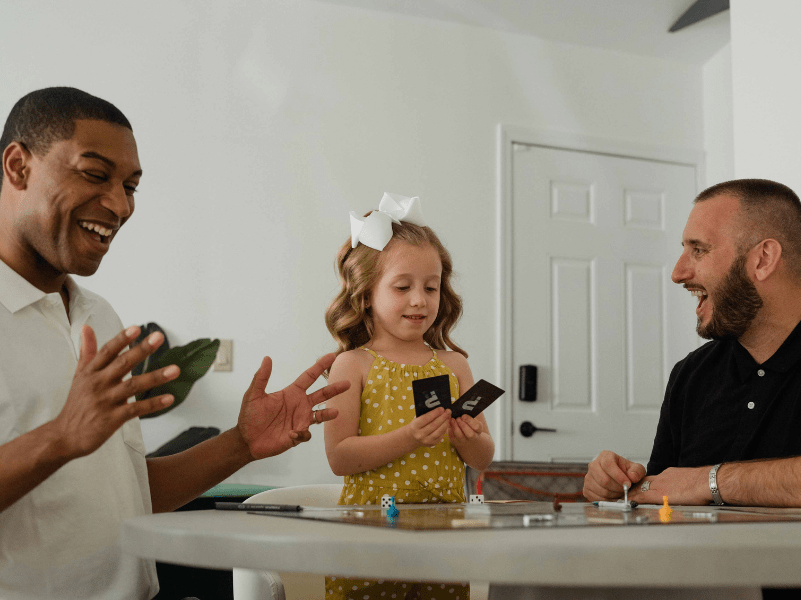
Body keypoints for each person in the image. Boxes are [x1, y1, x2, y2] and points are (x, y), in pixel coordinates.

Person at [0, 87, 349, 600]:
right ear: (17, 166)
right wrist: (61, 437)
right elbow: (67, 442)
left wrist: (241, 444)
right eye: (95, 174)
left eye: (131, 185)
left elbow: (130, 493)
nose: (120, 205)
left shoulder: (98, 315)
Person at [583, 179, 801, 508]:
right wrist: (618, 488)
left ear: (763, 259)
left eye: (699, 250)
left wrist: (710, 481)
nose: (678, 272)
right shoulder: (690, 375)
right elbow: (665, 502)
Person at [323, 194, 494, 600]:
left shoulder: (455, 365)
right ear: (365, 293)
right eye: (403, 287)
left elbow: (483, 457)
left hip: (444, 539)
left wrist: (466, 438)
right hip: (371, 538)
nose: (420, 299)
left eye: (431, 287)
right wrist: (410, 437)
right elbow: (339, 456)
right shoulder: (352, 364)